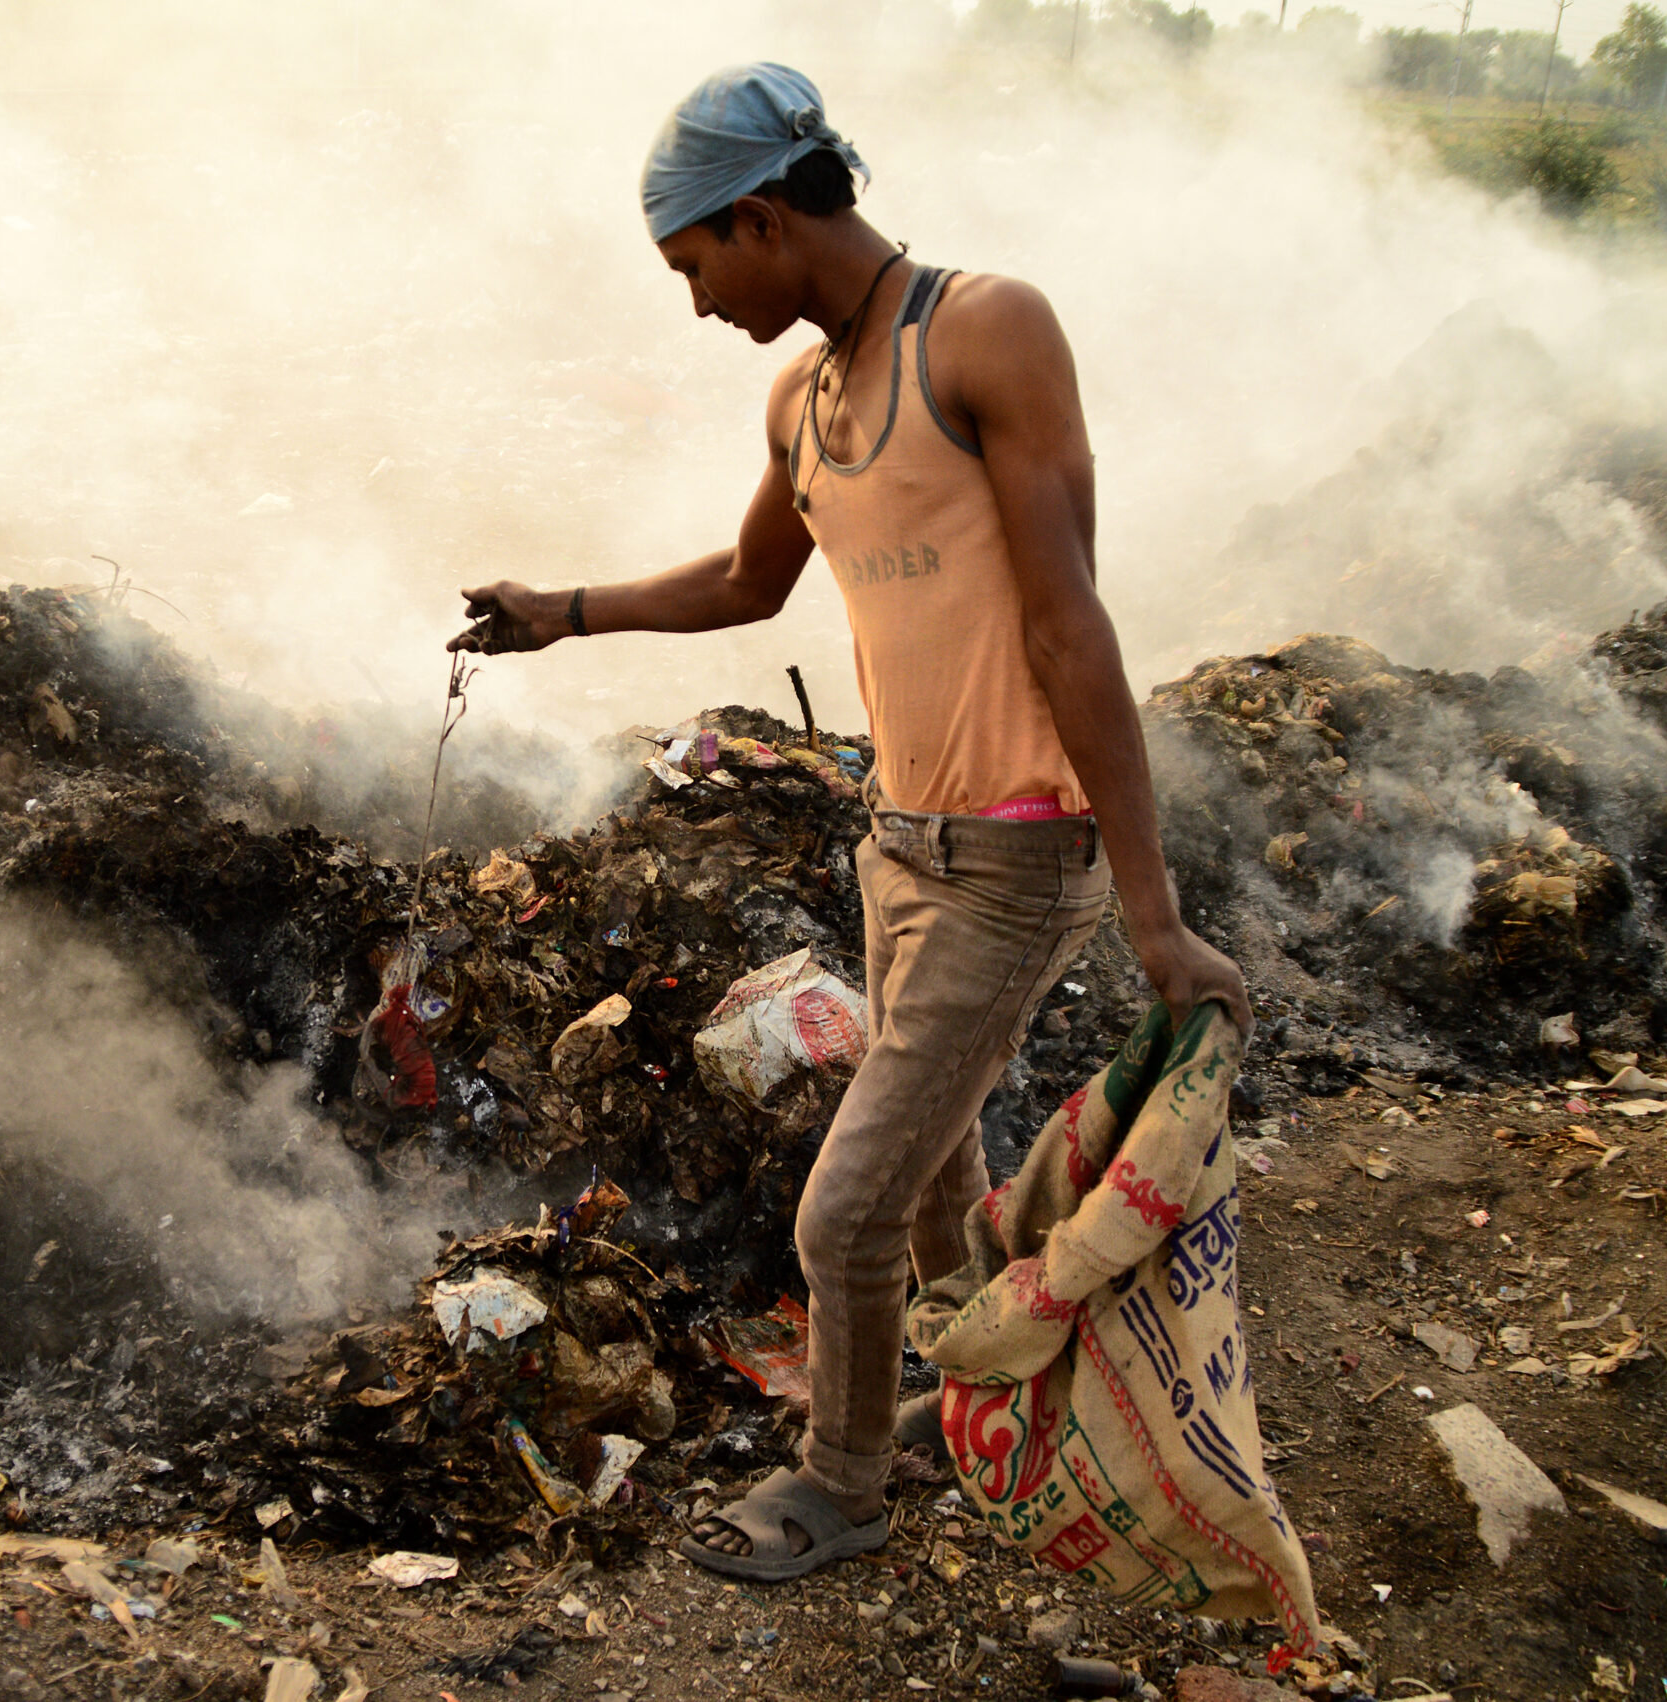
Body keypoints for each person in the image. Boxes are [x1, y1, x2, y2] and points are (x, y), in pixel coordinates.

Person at [449, 63, 1251, 1582]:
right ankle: (979, 1409)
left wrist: (1154, 912)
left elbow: (1072, 625)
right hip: (903, 845)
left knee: (845, 1213)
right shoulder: (804, 400)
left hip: (1023, 853)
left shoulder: (988, 332)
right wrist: (562, 612)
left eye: (694, 268)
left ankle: (848, 1480)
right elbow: (748, 585)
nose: (695, 307)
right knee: (938, 1177)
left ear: (758, 217)